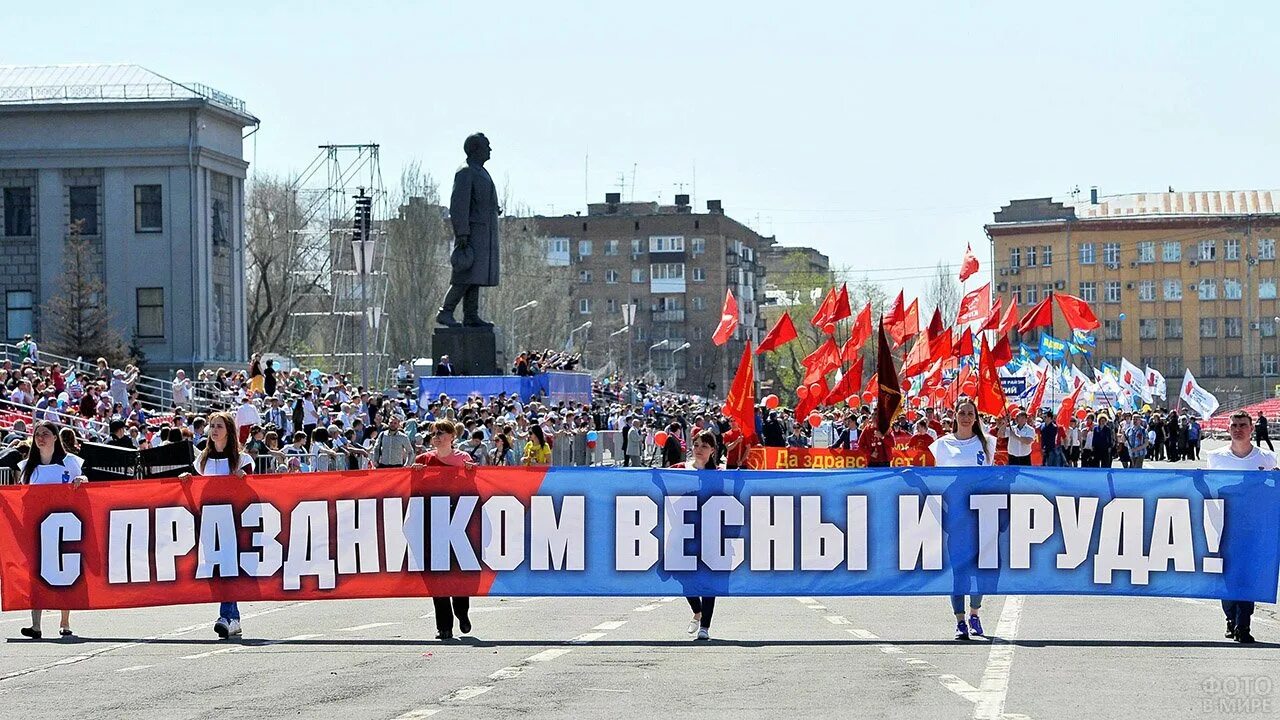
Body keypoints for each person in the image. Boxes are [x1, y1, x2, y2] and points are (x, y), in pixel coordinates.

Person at [179, 412, 255, 639]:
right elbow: (197, 487)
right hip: (210, 523)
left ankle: (227, 615)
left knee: (229, 567)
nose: (214, 430)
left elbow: (255, 490)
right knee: (218, 568)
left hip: (234, 523)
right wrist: (186, 479)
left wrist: (243, 479)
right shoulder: (202, 461)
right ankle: (233, 618)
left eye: (219, 426)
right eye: (211, 426)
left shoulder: (243, 461)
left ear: (228, 431)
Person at [1205, 410, 1276, 644]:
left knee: (1249, 575)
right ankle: (1230, 616)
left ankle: (1243, 624)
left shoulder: (1265, 458)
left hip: (1255, 527)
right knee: (1229, 575)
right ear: (1228, 428)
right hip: (1224, 526)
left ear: (1251, 428)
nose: (1238, 429)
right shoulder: (1216, 457)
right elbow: (1209, 490)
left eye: (1243, 425)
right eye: (1234, 425)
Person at [928, 399, 996, 640]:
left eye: (970, 413)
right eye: (962, 413)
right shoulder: (941, 445)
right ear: (955, 415)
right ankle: (959, 621)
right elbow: (934, 479)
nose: (966, 417)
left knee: (980, 569)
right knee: (959, 570)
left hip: (981, 513)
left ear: (976, 417)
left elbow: (993, 475)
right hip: (955, 513)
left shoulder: (987, 442)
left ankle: (975, 614)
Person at [18, 421, 87, 639]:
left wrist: (81, 480)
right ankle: (36, 625)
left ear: (55, 437)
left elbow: (84, 482)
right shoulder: (28, 467)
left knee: (64, 573)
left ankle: (64, 621)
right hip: (37, 528)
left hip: (64, 527)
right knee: (35, 575)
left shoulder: (70, 462)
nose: (41, 438)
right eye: (37, 434)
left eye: (46, 434)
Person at [413, 420, 476, 640]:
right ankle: (444, 626)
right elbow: (414, 492)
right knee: (436, 575)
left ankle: (462, 612)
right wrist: (415, 475)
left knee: (458, 573)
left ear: (452, 436)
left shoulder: (463, 459)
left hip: (458, 522)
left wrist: (470, 473)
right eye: (433, 433)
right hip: (432, 522)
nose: (436, 436)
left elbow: (473, 489)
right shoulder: (423, 460)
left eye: (441, 433)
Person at [678, 430, 720, 641]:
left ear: (712, 450)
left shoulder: (719, 473)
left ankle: (705, 626)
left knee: (709, 580)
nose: (699, 450)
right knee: (684, 577)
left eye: (704, 446)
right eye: (696, 445)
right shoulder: (680, 469)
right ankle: (697, 610)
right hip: (685, 533)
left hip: (711, 534)